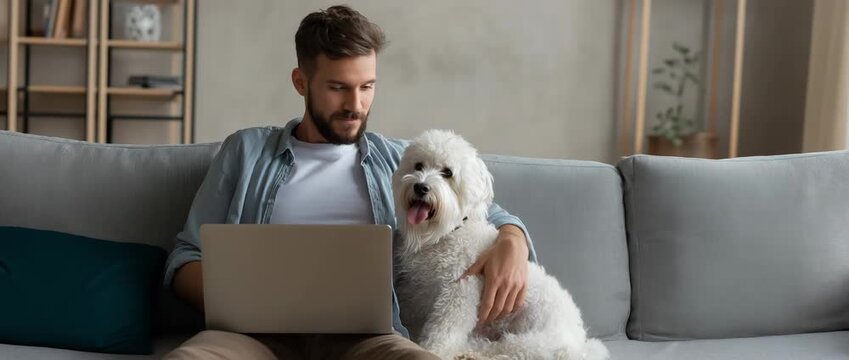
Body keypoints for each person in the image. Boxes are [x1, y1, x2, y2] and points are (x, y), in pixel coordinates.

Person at [163, 5, 537, 360]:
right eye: (338, 87)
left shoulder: (402, 160)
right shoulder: (246, 151)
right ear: (300, 82)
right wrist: (246, 299)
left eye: (367, 86)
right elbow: (185, 259)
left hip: (366, 340)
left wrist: (512, 240)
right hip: (249, 337)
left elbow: (484, 210)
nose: (355, 104)